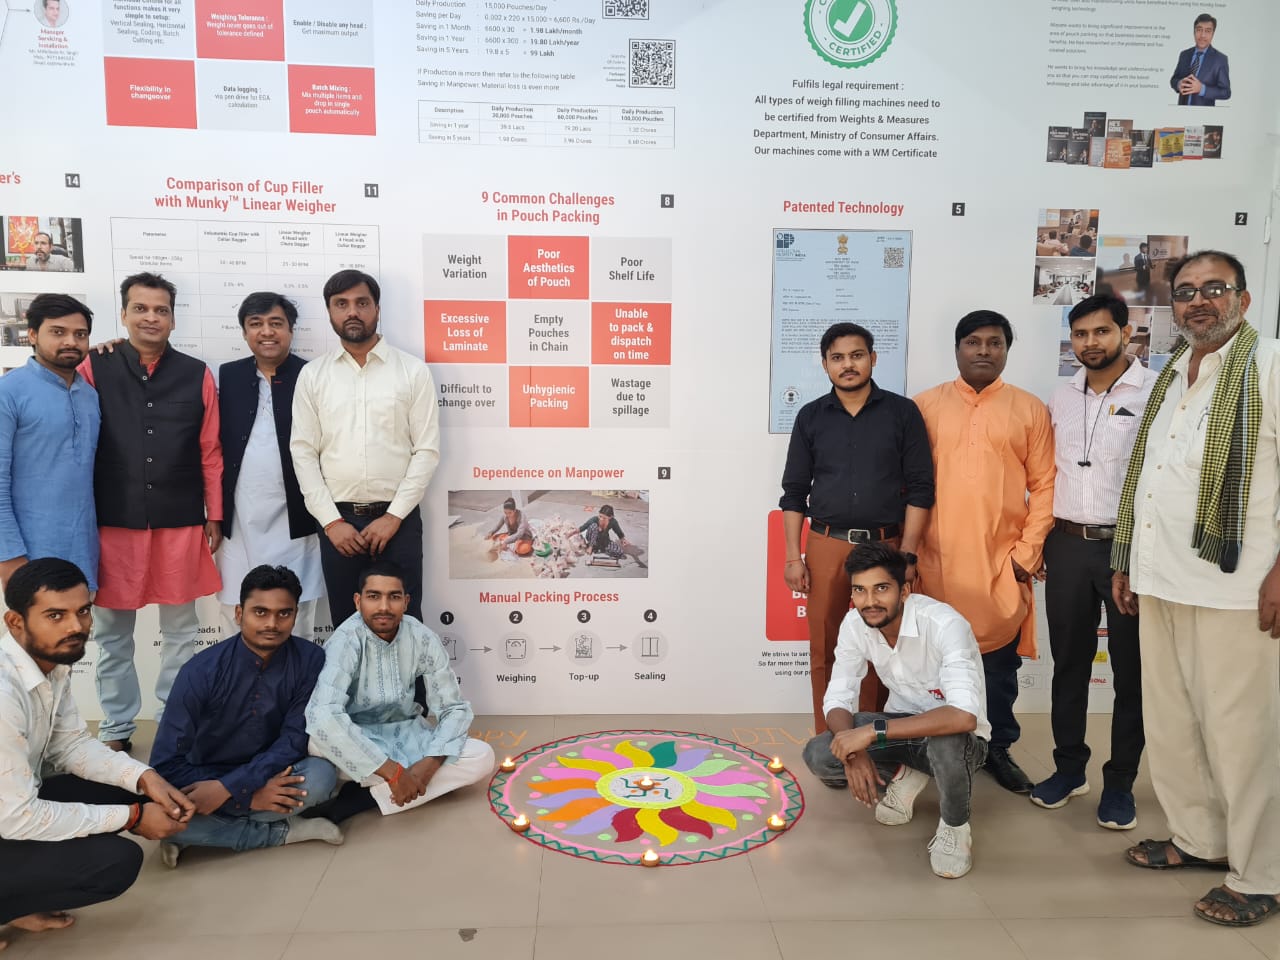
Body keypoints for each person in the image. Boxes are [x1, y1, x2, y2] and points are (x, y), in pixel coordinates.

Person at [1111, 251, 1280, 927]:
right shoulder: (1173, 372)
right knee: (1174, 724)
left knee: (1243, 736)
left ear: (1242, 298)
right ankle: (1201, 840)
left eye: (1215, 289)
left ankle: (1262, 872)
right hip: (1162, 580)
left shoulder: (1269, 366)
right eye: (1186, 292)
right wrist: (1129, 560)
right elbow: (1151, 478)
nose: (1199, 302)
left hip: (1237, 588)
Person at [0, 559, 192, 948]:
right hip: (11, 815)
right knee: (115, 863)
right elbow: (17, 818)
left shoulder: (50, 662)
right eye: (55, 615)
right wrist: (133, 818)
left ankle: (10, 904)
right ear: (15, 622)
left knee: (130, 787)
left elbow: (71, 744)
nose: (76, 627)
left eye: (83, 611)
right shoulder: (4, 693)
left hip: (9, 807)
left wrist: (144, 778)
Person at [80, 272, 223, 752]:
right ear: (123, 314)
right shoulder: (94, 366)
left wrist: (215, 513)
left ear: (173, 318)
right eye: (140, 308)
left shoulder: (197, 373)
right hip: (112, 521)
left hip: (178, 520)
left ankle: (172, 723)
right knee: (112, 635)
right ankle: (117, 727)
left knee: (181, 633)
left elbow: (210, 451)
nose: (151, 318)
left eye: (161, 310)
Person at [914, 310, 1055, 794]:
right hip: (936, 562)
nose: (983, 351)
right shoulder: (925, 406)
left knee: (997, 667)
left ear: (1007, 350)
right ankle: (931, 748)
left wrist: (1025, 555)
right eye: (973, 342)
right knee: (932, 664)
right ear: (957, 349)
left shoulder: (1029, 409)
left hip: (1000, 563)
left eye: (995, 343)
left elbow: (1045, 485)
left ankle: (997, 749)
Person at [779, 321, 934, 734]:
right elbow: (794, 493)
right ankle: (828, 739)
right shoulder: (811, 416)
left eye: (856, 355)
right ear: (825, 364)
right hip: (826, 542)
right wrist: (793, 557)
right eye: (838, 358)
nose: (848, 365)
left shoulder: (902, 413)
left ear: (873, 358)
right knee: (824, 645)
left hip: (886, 545)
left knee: (882, 643)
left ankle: (873, 738)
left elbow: (921, 488)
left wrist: (908, 553)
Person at [1034, 295, 1154, 828]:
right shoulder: (1060, 397)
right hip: (1066, 544)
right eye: (1080, 334)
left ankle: (1120, 783)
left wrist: (1140, 554)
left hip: (1128, 550)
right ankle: (1069, 770)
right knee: (1069, 665)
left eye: (1101, 332)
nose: (1090, 343)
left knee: (1131, 671)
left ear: (1125, 333)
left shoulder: (1155, 392)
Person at [802, 544, 988, 879]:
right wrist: (853, 751)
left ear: (904, 591)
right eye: (860, 590)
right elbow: (838, 698)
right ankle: (908, 771)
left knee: (946, 741)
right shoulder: (854, 624)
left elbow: (963, 716)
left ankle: (955, 827)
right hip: (901, 728)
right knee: (820, 754)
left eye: (881, 589)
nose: (869, 601)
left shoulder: (944, 624)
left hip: (962, 742)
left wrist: (870, 733)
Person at [149, 565, 342, 867]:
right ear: (239, 614)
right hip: (207, 775)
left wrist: (234, 789)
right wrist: (246, 796)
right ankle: (280, 832)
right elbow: (165, 765)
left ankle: (195, 833)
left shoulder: (309, 659)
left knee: (321, 776)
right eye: (260, 612)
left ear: (295, 615)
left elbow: (294, 738)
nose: (272, 624)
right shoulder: (200, 671)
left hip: (271, 770)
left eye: (284, 613)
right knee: (159, 806)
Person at [291, 270, 439, 629]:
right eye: (341, 304)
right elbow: (304, 453)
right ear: (330, 312)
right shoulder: (313, 376)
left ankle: (409, 676)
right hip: (339, 525)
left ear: (377, 309)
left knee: (406, 625)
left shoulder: (412, 371)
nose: (352, 312)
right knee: (347, 627)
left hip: (398, 521)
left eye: (362, 303)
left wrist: (393, 517)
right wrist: (331, 522)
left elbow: (426, 451)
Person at [305, 561, 494, 820]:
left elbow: (453, 708)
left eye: (393, 597)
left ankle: (365, 798)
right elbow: (323, 714)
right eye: (374, 596)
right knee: (317, 743)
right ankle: (395, 785)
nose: (384, 607)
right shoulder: (346, 640)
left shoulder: (422, 637)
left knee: (482, 756)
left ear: (405, 602)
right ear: (358, 601)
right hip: (359, 735)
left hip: (408, 734)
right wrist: (393, 772)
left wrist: (428, 766)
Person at [217, 292, 325, 640]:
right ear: (244, 332)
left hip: (296, 516)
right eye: (256, 324)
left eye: (276, 323)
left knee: (297, 613)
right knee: (236, 610)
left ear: (291, 330)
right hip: (240, 517)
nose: (266, 332)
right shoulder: (228, 375)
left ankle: (296, 676)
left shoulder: (312, 374)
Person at [0, 294, 99, 591]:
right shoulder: (9, 392)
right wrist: (9, 556)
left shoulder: (89, 395)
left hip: (85, 552)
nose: (71, 342)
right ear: (32, 335)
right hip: (29, 554)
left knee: (80, 621)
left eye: (80, 334)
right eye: (58, 332)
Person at [1170, 14, 1230, 106]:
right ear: (1194, 32)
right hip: (1181, 111)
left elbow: (1225, 92)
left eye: (1208, 31)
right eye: (1199, 30)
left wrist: (1202, 89)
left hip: (1204, 114)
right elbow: (1174, 79)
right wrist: (1178, 84)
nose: (1202, 35)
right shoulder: (1184, 55)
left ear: (1213, 34)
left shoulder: (1220, 59)